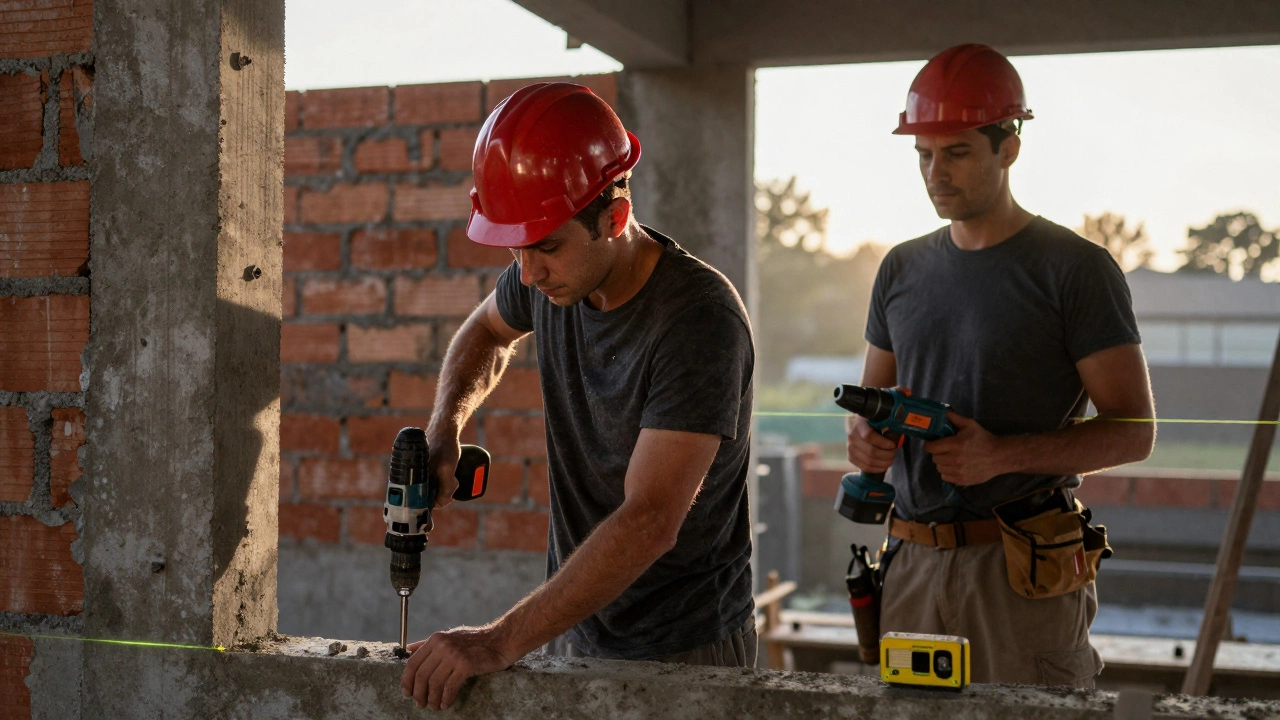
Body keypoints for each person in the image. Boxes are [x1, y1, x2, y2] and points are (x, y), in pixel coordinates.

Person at [400, 82, 756, 711]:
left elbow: (650, 521)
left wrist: (496, 641)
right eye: (516, 247)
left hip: (685, 651)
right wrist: (444, 428)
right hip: (573, 629)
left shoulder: (700, 321)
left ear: (614, 217)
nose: (528, 272)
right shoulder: (547, 276)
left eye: (546, 247)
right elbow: (484, 330)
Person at [845, 44, 1156, 687]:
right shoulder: (899, 269)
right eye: (924, 155)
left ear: (1009, 147)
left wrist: (1001, 455)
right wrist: (865, 442)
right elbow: (875, 406)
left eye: (957, 152)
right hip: (909, 566)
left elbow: (1134, 431)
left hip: (1018, 574)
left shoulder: (1074, 270)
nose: (936, 173)